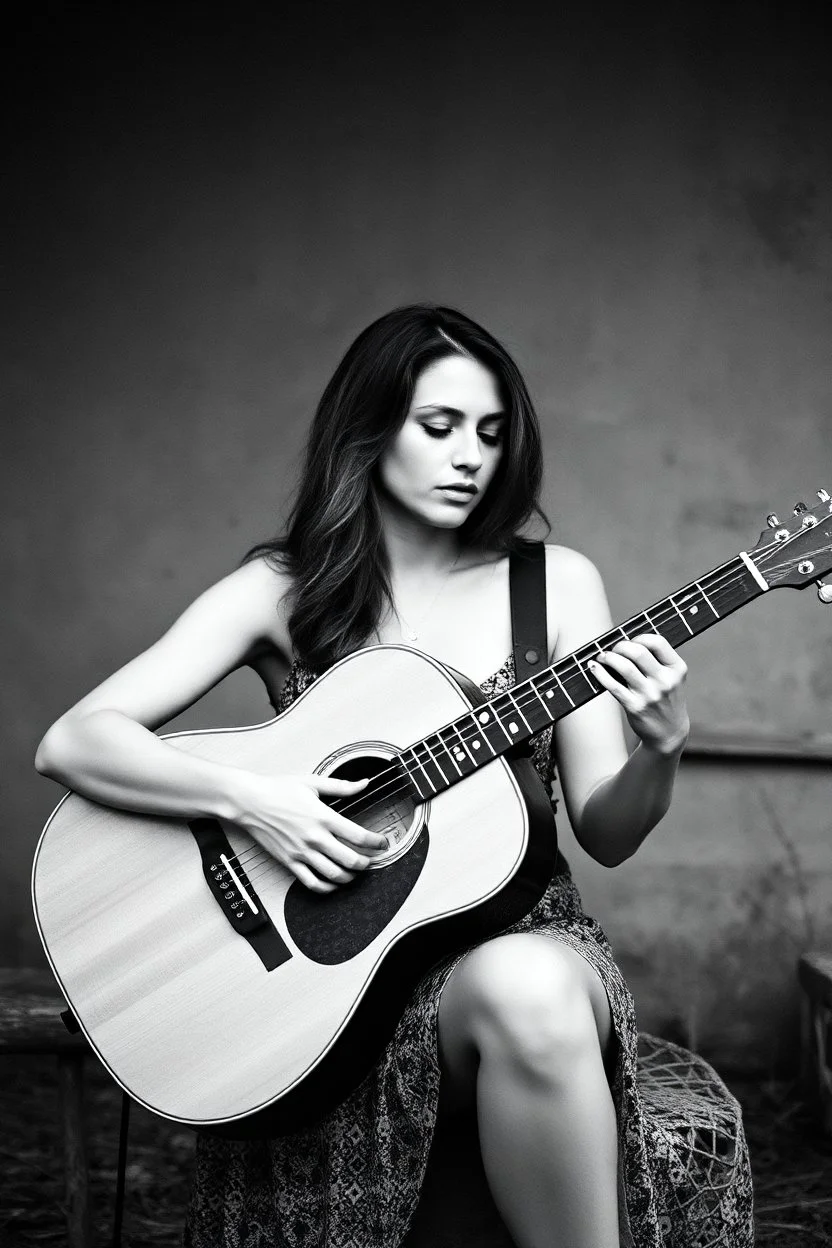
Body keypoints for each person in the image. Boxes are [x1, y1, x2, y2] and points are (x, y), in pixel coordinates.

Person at [34, 304, 749, 1248]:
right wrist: (261, 802)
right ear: (369, 434)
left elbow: (607, 831)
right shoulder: (283, 590)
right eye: (440, 427)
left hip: (524, 937)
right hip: (325, 985)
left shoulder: (554, 587)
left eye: (492, 434)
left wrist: (661, 746)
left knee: (524, 987)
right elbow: (75, 741)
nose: (472, 458)